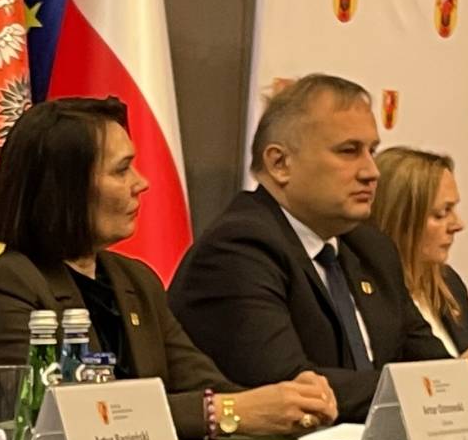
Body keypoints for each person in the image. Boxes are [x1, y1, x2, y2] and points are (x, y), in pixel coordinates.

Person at [0, 97, 338, 440]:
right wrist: (225, 412)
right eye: (122, 171)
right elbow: (62, 417)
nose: (142, 183)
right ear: (65, 189)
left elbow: (205, 385)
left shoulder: (135, 280)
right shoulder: (1, 289)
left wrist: (285, 400)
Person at [168, 73, 446, 422]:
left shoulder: (371, 248)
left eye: (371, 151)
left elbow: (434, 365)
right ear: (279, 164)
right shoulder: (237, 249)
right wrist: (423, 390)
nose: (372, 172)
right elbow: (291, 388)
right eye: (349, 151)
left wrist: (453, 380)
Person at [369, 147, 468, 384]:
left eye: (454, 209)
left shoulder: (449, 284)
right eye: (441, 213)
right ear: (400, 219)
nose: (457, 224)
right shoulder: (375, 298)